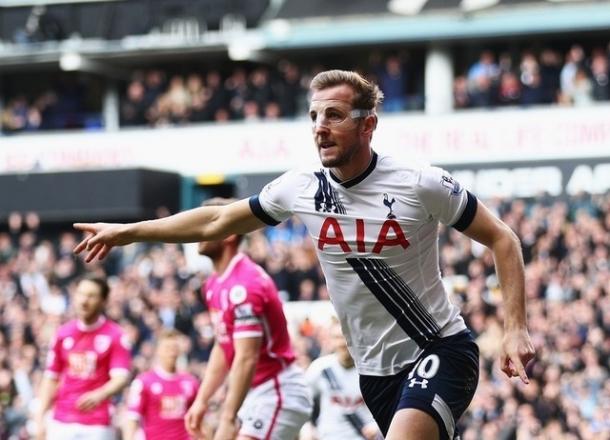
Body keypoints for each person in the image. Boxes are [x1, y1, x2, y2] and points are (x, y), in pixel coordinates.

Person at [74, 69, 536, 440]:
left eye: (334, 115)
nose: (320, 128)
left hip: (438, 348)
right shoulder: (301, 188)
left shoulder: (419, 183)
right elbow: (217, 220)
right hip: (374, 373)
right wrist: (128, 232)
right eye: (314, 116)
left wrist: (515, 328)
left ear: (367, 124)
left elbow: (503, 239)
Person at [183, 198, 311, 439]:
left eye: (206, 224)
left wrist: (228, 416)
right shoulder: (212, 283)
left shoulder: (245, 285)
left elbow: (247, 357)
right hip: (256, 393)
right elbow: (224, 345)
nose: (198, 231)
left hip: (277, 391)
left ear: (229, 234)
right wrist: (202, 400)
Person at [34, 275, 132, 440]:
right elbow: (50, 378)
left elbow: (121, 378)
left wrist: (99, 394)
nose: (84, 301)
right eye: (80, 294)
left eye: (91, 296)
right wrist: (40, 417)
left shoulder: (115, 335)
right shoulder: (63, 333)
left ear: (103, 301)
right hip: (62, 420)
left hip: (97, 423)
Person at [303, 320, 380, 440]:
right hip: (329, 436)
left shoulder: (371, 370)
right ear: (331, 340)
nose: (343, 343)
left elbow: (389, 406)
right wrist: (307, 427)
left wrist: (376, 427)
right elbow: (302, 400)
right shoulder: (320, 368)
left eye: (347, 337)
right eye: (338, 337)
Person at [124, 328, 200, 440]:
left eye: (175, 348)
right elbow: (132, 419)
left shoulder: (191, 382)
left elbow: (199, 420)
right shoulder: (143, 382)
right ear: (158, 350)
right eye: (167, 348)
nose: (172, 352)